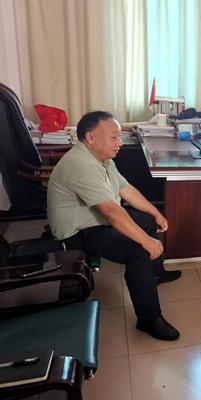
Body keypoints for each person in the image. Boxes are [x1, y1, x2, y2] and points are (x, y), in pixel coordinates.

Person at [47, 111, 182, 341]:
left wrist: (155, 213)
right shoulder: (81, 164)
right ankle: (148, 319)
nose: (120, 143)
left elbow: (126, 190)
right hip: (77, 234)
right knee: (138, 249)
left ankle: (155, 274)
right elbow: (111, 211)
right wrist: (146, 241)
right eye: (114, 137)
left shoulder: (103, 160)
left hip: (95, 221)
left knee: (148, 221)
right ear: (91, 137)